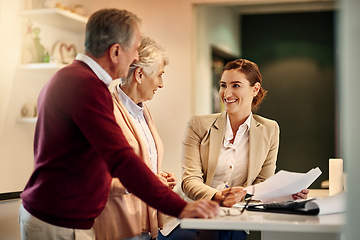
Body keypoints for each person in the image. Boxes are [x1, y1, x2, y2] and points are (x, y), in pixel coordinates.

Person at [18, 8, 219, 240]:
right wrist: (180, 208)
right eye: (134, 50)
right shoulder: (86, 86)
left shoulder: (73, 78)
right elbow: (121, 159)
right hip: (57, 219)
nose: (135, 58)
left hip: (57, 215)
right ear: (115, 51)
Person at [159, 59, 308, 240]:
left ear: (255, 89)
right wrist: (218, 196)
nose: (227, 93)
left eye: (236, 85)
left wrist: (283, 194)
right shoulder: (198, 125)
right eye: (223, 85)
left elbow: (262, 184)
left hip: (234, 219)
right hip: (191, 216)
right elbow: (189, 181)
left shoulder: (270, 129)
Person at [92, 34, 176, 240]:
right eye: (159, 75)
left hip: (145, 224)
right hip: (118, 228)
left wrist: (158, 176)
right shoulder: (106, 111)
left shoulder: (142, 112)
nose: (161, 83)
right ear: (139, 75)